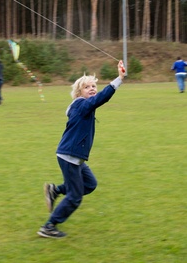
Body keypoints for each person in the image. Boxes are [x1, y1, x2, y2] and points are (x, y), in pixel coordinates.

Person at [38, 60, 126, 239]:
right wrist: (119, 79)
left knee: (90, 184)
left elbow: (95, 101)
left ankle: (55, 190)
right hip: (69, 156)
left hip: (76, 157)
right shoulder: (80, 105)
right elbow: (100, 99)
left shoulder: (85, 107)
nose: (92, 89)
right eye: (87, 87)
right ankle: (49, 226)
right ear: (79, 92)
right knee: (75, 196)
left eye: (94, 86)